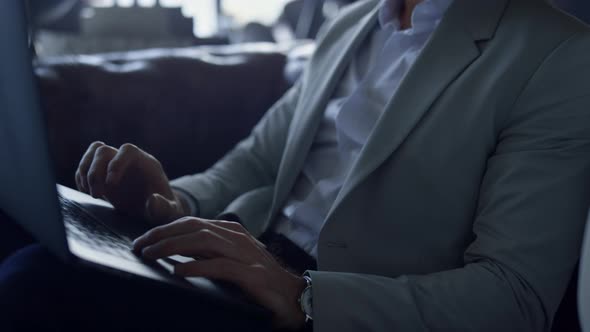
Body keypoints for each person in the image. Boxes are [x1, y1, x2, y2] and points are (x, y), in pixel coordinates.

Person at [2, 0, 590, 330]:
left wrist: (302, 296)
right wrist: (168, 202)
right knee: (24, 233)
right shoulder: (352, 24)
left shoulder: (556, 53)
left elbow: (514, 297)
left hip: (320, 306)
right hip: (244, 258)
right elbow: (253, 162)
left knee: (35, 282)